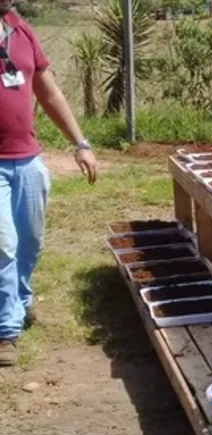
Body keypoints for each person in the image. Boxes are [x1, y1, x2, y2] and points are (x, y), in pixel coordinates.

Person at [0, 2, 98, 366]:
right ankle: (6, 329)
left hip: (26, 159)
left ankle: (19, 301)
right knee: (3, 245)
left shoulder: (20, 30)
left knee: (29, 241)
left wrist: (81, 143)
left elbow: (49, 92)